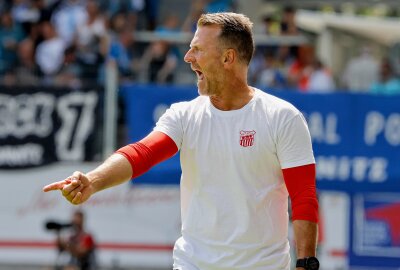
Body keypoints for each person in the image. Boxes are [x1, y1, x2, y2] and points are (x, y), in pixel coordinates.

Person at [43, 12, 319, 270]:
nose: (188, 57)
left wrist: (306, 264)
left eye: (198, 49)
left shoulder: (282, 117)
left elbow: (303, 197)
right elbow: (142, 153)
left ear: (228, 58)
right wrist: (93, 180)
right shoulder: (184, 116)